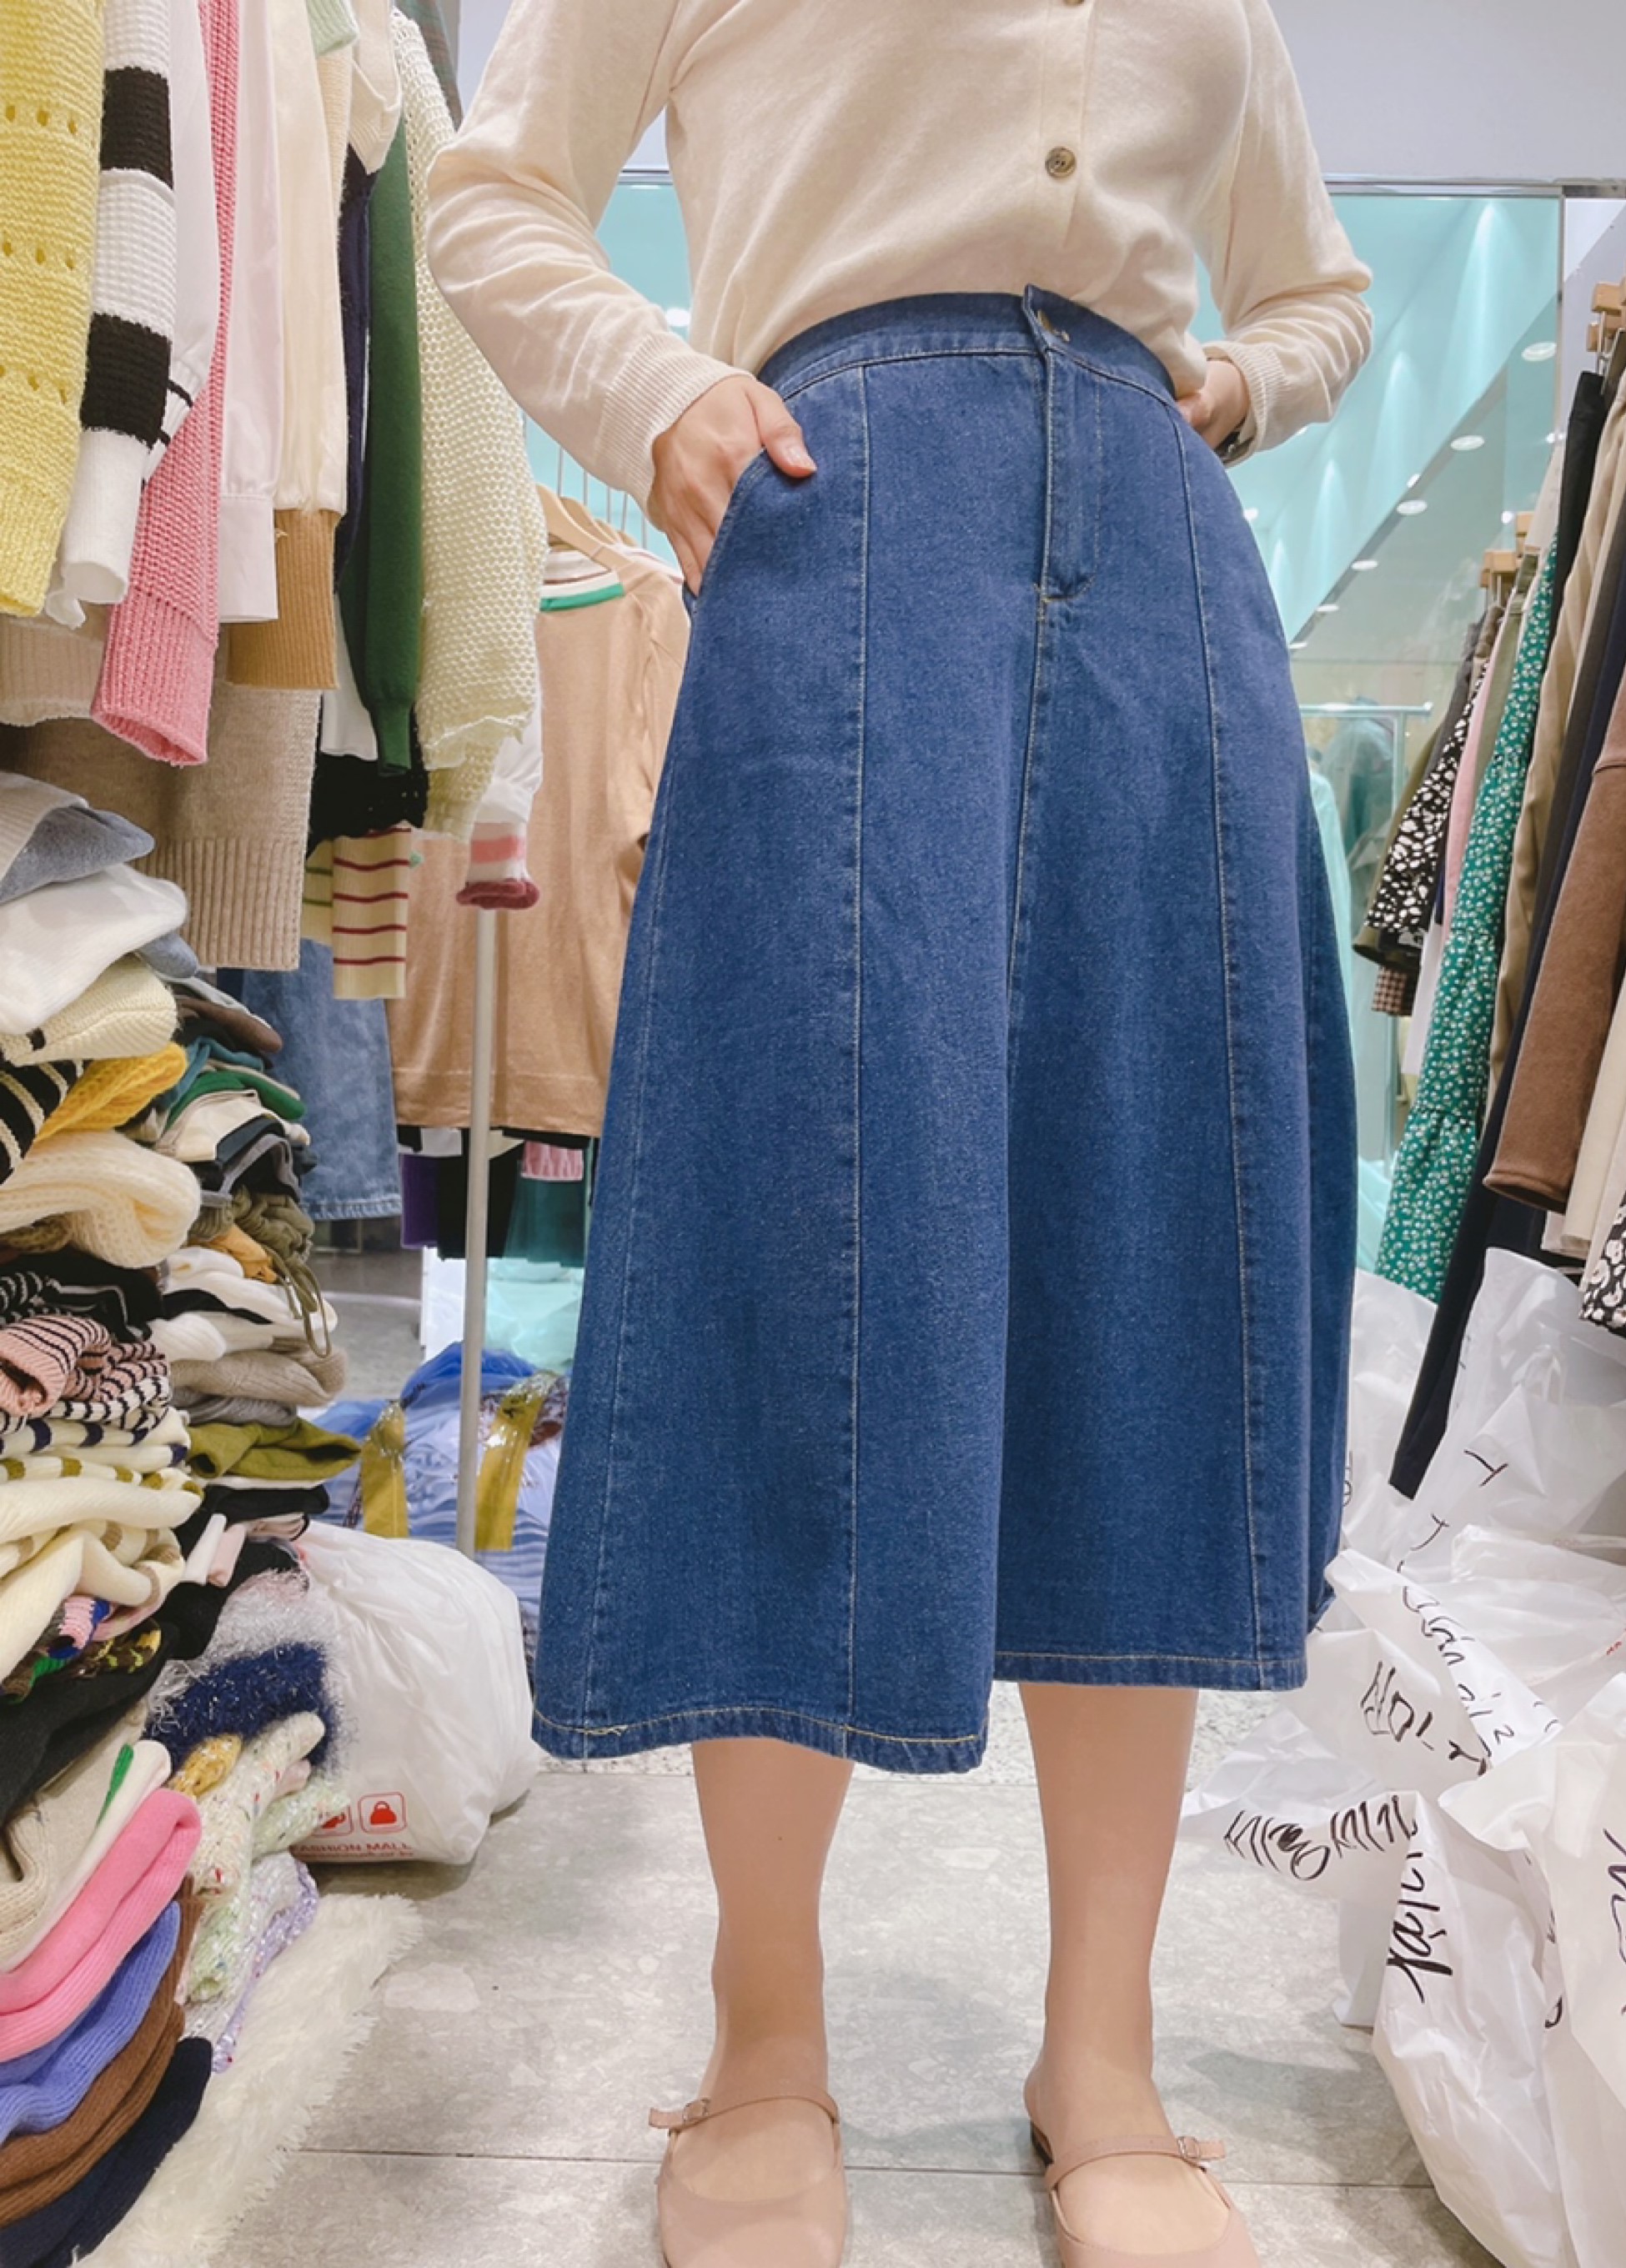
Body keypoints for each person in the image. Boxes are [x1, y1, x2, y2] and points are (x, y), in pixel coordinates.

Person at [429, 6, 1371, 2262]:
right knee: (809, 1243)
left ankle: (1104, 2055)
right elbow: (489, 189)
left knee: (1154, 1249)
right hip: (832, 525)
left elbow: (1319, 286)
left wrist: (1238, 387)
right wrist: (658, 391)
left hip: (1162, 573)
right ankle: (765, 2033)